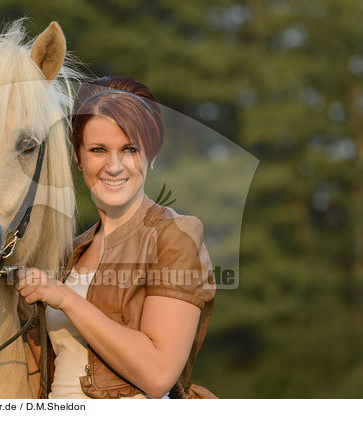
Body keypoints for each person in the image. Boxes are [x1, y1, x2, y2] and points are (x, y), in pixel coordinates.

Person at [15, 76, 216, 399]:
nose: (113, 166)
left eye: (129, 149)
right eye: (98, 150)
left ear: (151, 155)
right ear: (78, 158)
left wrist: (66, 299)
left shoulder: (174, 237)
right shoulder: (69, 252)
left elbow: (158, 374)